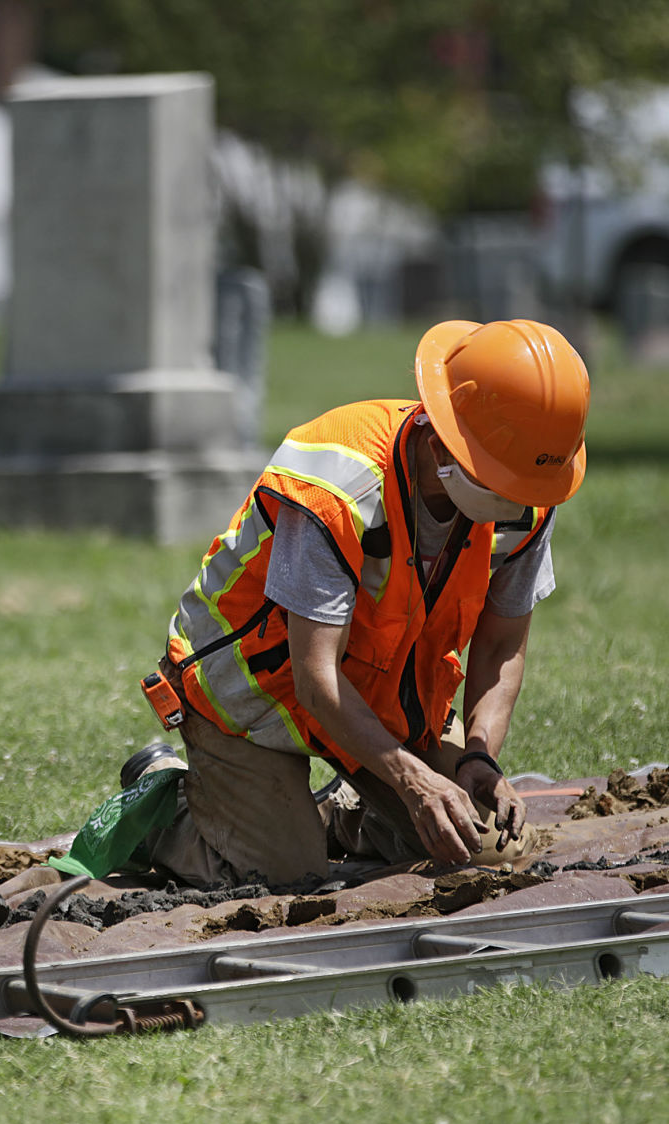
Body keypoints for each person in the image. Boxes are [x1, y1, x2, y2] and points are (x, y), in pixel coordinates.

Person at [131, 318, 589, 889]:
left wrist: (478, 758)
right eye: (502, 484)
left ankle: (322, 814)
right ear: (447, 439)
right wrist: (413, 781)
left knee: (487, 846)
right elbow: (314, 680)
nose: (519, 505)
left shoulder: (529, 488)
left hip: (376, 698)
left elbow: (500, 646)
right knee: (285, 878)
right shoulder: (340, 486)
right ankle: (164, 808)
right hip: (253, 693)